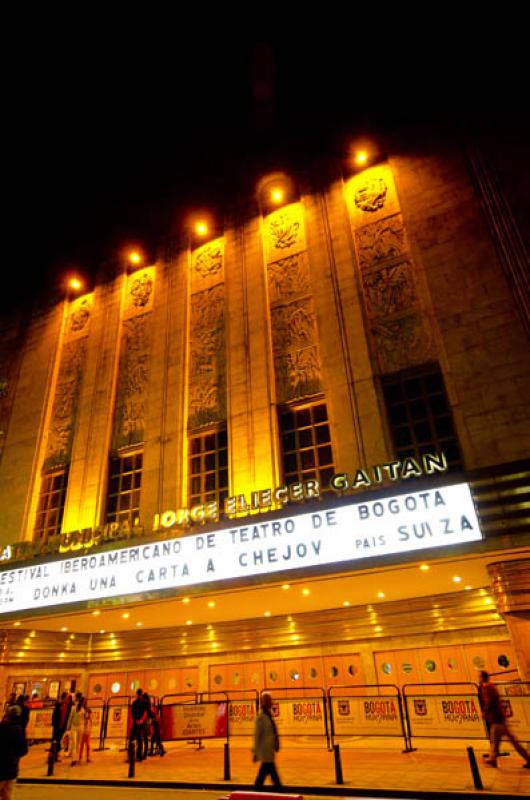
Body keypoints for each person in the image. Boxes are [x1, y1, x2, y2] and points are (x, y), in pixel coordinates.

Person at [479, 670, 530, 768]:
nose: (479, 679)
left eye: (480, 677)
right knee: (496, 740)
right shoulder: (491, 686)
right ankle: (493, 758)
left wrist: (485, 712)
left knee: (509, 741)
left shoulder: (486, 687)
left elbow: (489, 701)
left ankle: (493, 758)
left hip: (497, 718)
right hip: (499, 718)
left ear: (482, 678)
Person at [253, 692, 281, 789]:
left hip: (269, 752)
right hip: (266, 752)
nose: (271, 702)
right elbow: (257, 736)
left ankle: (255, 793)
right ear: (265, 702)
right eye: (269, 700)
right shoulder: (261, 717)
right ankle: (280, 792)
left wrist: (276, 743)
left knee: (262, 778)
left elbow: (273, 732)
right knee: (273, 778)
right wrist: (255, 753)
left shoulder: (268, 715)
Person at [0, 705, 28, 800]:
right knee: (7, 797)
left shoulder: (2, 728)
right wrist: (15, 756)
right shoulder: (20, 730)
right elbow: (24, 750)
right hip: (12, 770)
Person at [51, 692, 71, 761]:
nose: (68, 698)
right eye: (67, 697)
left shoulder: (68, 706)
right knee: (54, 740)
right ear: (64, 697)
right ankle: (52, 756)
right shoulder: (59, 705)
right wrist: (54, 724)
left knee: (59, 741)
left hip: (63, 727)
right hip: (57, 726)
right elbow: (54, 715)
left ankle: (56, 755)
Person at [131, 689, 148, 761]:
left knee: (140, 739)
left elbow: (145, 712)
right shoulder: (134, 703)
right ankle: (132, 755)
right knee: (133, 738)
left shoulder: (144, 703)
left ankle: (139, 755)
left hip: (141, 723)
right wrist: (135, 720)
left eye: (140, 695)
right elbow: (132, 713)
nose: (138, 696)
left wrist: (141, 720)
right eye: (138, 695)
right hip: (136, 722)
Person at [67, 696, 84, 766]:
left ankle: (76, 759)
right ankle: (73, 760)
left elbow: (84, 719)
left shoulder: (83, 709)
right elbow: (70, 718)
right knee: (74, 743)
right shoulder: (73, 708)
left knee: (78, 744)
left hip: (80, 727)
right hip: (73, 727)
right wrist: (68, 727)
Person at [77, 699, 92, 764]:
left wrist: (90, 727)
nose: (85, 703)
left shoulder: (88, 710)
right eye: (84, 702)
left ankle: (87, 757)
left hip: (87, 729)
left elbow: (90, 719)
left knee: (88, 745)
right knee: (82, 744)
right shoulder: (80, 710)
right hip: (82, 728)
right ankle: (80, 758)